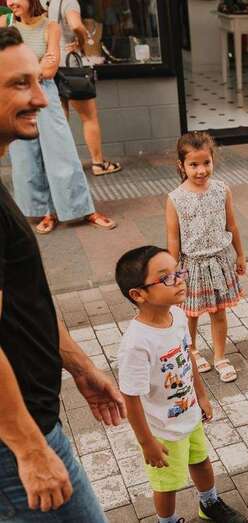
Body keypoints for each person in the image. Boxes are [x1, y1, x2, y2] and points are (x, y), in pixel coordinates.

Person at [0, 25, 125, 520]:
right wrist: (29, 448)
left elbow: (24, 298)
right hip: (16, 443)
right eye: (20, 84)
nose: (41, 98)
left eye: (38, 81)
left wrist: (80, 366)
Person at [115, 246, 247, 523]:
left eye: (178, 272)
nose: (179, 280)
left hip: (190, 414)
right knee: (167, 485)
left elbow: (188, 357)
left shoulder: (177, 316)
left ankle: (209, 503)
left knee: (201, 461)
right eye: (166, 277)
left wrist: (202, 396)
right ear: (138, 295)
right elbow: (131, 398)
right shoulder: (136, 344)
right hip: (162, 431)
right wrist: (147, 442)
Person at [1, 0, 115, 234]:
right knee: (25, 158)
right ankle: (46, 211)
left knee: (61, 152)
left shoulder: (50, 27)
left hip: (46, 93)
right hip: (14, 97)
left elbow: (50, 70)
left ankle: (83, 209)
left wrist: (21, 71)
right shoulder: (4, 23)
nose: (10, 2)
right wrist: (36, 66)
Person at [166, 132, 246, 384]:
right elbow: (173, 239)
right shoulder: (175, 198)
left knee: (219, 313)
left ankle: (220, 357)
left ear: (213, 160)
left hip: (219, 262)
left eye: (206, 163)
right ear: (182, 165)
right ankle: (192, 351)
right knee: (190, 314)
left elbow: (232, 225)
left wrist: (240, 255)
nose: (201, 170)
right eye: (193, 164)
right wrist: (172, 271)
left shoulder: (222, 190)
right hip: (192, 266)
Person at [48, 0, 123, 177]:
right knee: (89, 117)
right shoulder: (68, 2)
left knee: (61, 119)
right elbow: (76, 25)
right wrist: (81, 42)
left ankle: (63, 166)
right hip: (70, 66)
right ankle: (98, 163)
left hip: (53, 64)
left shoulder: (48, 3)